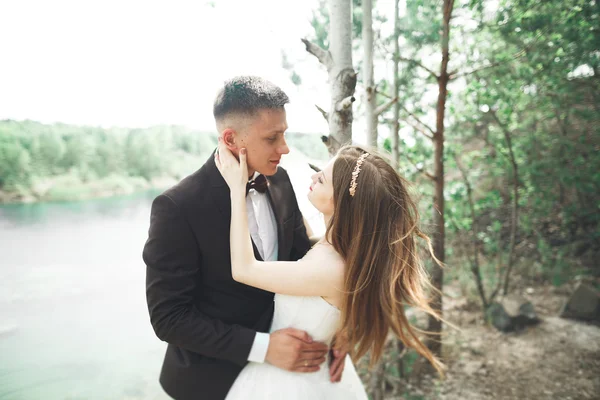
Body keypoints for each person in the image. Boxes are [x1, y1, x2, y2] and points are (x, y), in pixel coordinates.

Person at [143, 76, 347, 400]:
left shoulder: (278, 179)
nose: (285, 148)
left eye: (285, 133)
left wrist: (337, 327)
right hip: (212, 382)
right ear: (230, 138)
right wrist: (264, 347)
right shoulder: (177, 207)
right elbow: (169, 318)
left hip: (289, 376)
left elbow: (303, 260)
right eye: (272, 137)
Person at [214, 141, 445, 399]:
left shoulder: (331, 269)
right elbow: (307, 247)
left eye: (321, 179)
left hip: (288, 385)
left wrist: (236, 189)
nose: (313, 177)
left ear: (342, 203)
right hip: (311, 370)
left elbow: (244, 269)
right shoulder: (343, 249)